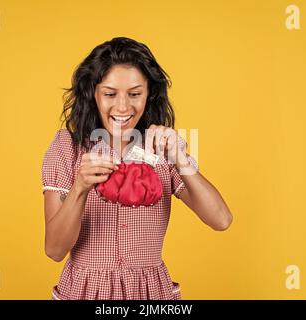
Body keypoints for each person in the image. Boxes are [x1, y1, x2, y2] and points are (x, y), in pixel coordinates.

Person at [41, 37, 233, 300]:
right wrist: (80, 188)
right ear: (92, 93)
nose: (122, 107)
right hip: (84, 292)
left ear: (149, 94)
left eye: (135, 93)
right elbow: (54, 250)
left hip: (150, 294)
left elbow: (221, 220)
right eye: (110, 94)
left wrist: (180, 159)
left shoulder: (162, 148)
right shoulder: (68, 147)